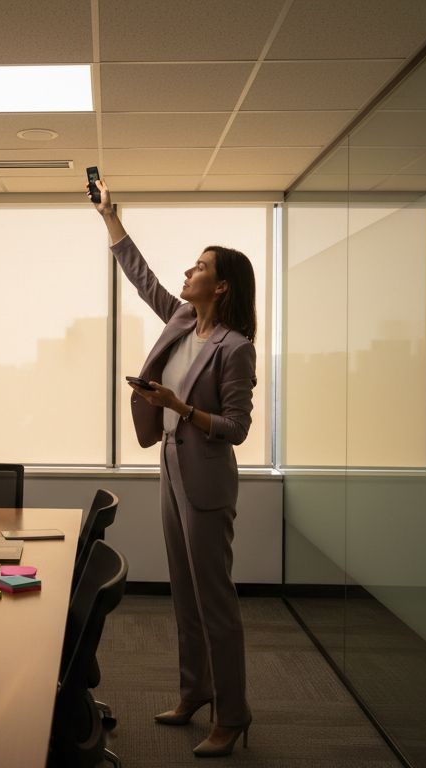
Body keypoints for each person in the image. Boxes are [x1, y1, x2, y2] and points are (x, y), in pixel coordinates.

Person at [91, 177, 257, 758]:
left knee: (215, 600)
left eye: (199, 267)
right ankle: (195, 692)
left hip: (207, 479)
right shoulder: (184, 322)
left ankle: (233, 715)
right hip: (170, 468)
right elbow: (145, 282)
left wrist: (181, 408)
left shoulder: (235, 347)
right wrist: (112, 221)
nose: (188, 274)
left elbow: (237, 427)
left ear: (222, 285)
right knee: (184, 593)